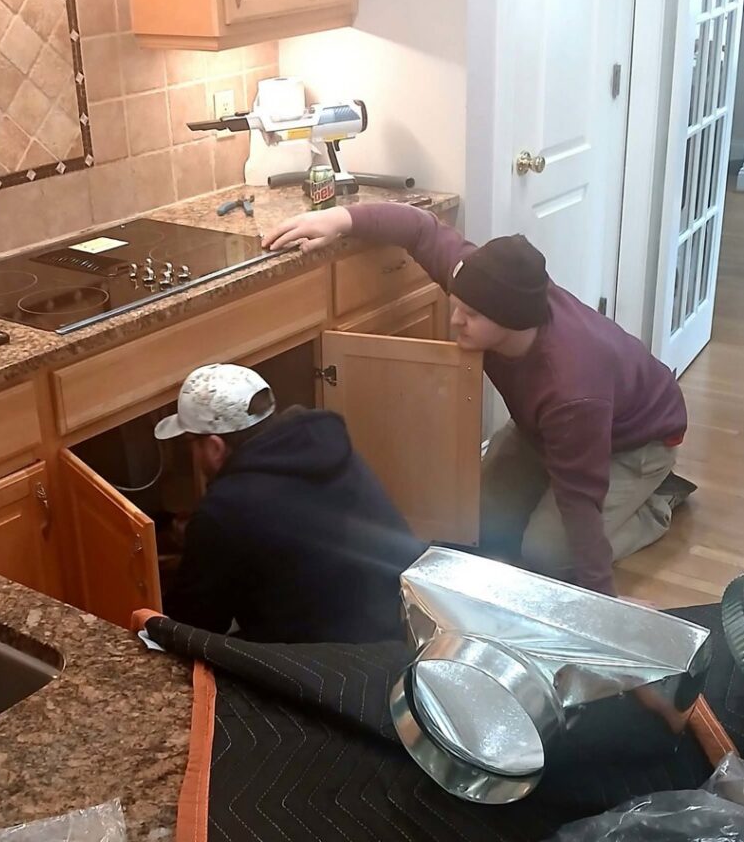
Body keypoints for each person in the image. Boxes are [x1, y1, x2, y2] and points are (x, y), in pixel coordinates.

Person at [262, 204, 690, 597]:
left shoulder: (571, 388)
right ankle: (557, 483)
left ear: (511, 322)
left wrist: (603, 611)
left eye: (470, 315)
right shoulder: (488, 285)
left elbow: (580, 503)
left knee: (545, 555)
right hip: (546, 432)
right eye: (457, 304)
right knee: (472, 522)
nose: (455, 320)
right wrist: (340, 219)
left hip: (635, 441)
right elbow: (420, 229)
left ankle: (656, 503)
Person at [133, 362, 424, 644]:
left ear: (214, 447)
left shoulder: (226, 509)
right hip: (395, 623)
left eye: (191, 444)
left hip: (328, 664)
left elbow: (192, 626)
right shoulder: (322, 448)